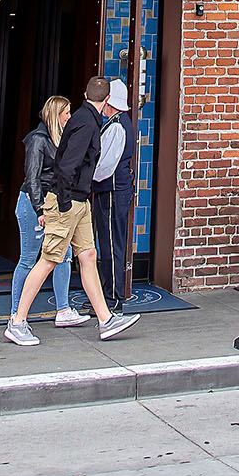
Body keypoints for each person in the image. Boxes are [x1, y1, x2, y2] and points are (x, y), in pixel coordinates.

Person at [5, 75, 140, 345]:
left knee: (88, 255)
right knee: (49, 259)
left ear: (86, 94)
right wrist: (65, 204)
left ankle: (106, 319)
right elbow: (67, 166)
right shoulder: (87, 123)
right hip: (67, 202)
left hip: (78, 201)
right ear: (107, 100)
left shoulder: (85, 119)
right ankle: (17, 322)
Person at [11, 96, 90, 328]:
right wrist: (39, 209)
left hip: (54, 203)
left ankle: (63, 309)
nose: (69, 117)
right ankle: (16, 313)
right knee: (28, 258)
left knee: (63, 255)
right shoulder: (38, 139)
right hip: (33, 203)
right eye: (66, 113)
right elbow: (32, 178)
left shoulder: (63, 138)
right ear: (56, 115)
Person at [92, 78, 137, 313]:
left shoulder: (117, 126)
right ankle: (108, 294)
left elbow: (105, 166)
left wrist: (87, 180)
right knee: (110, 243)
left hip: (111, 190)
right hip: (114, 189)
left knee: (111, 245)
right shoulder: (118, 123)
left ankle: (112, 298)